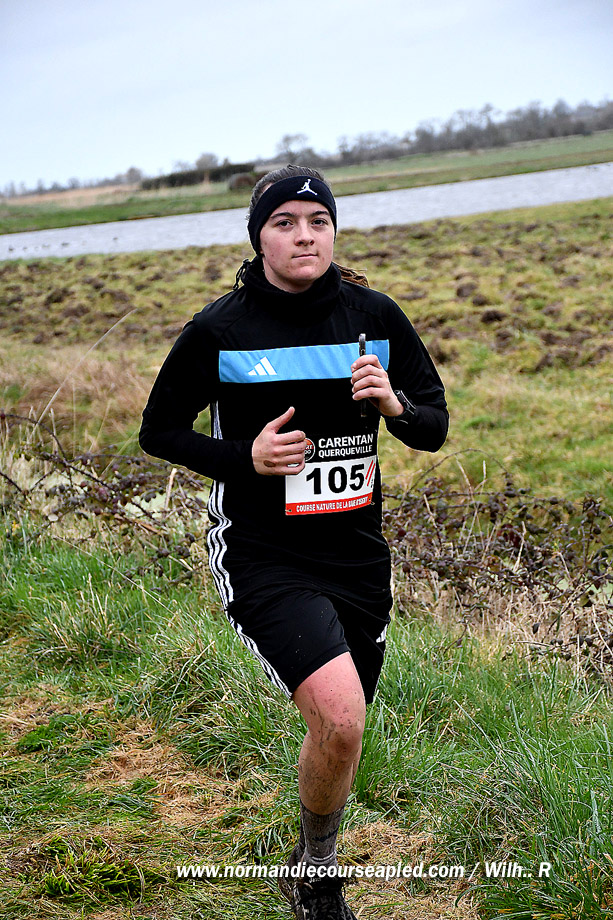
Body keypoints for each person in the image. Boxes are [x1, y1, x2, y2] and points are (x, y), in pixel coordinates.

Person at [139, 165, 448, 919]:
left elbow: (433, 425)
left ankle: (307, 858)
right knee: (340, 716)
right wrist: (243, 457)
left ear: (333, 231)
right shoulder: (220, 330)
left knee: (341, 733)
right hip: (263, 554)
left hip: (357, 558)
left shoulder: (375, 316)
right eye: (284, 223)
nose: (304, 236)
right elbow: (159, 431)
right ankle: (321, 879)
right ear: (259, 238)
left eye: (317, 221)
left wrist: (395, 405)